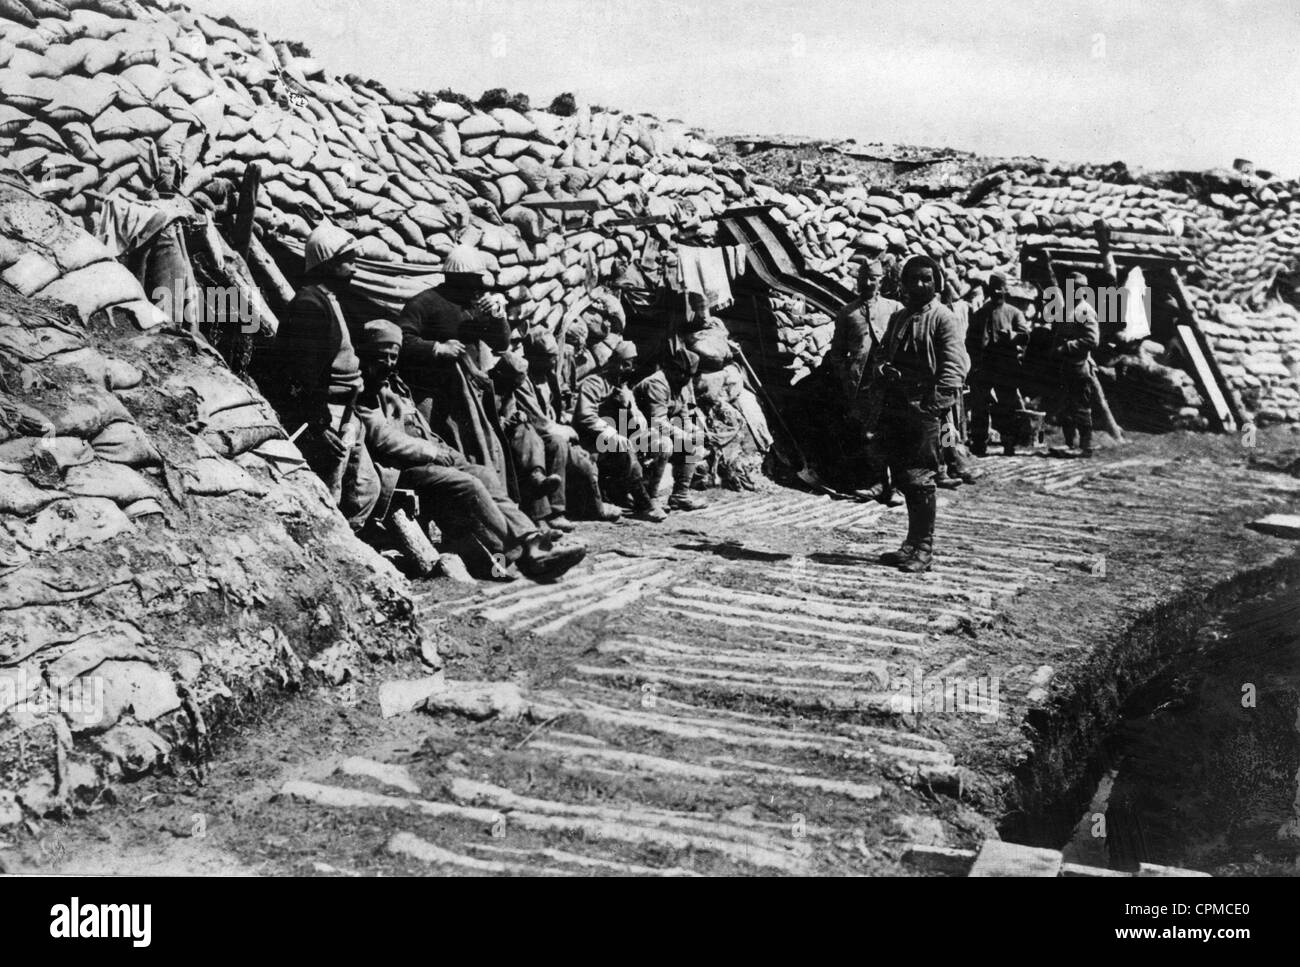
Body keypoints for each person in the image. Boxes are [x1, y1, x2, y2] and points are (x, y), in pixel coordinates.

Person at [353, 320, 585, 581]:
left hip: (427, 460)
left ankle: (532, 539)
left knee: (484, 474)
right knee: (469, 485)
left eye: (393, 355)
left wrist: (446, 450)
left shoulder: (395, 386)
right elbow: (382, 438)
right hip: (399, 470)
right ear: (365, 354)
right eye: (380, 355)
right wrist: (432, 451)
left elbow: (419, 428)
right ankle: (522, 554)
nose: (388, 361)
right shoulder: (362, 390)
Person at [267, 224, 379, 532]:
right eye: (348, 260)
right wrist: (317, 425)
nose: (354, 268)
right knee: (330, 493)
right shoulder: (309, 306)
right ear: (327, 263)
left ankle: (350, 550)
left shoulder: (332, 300)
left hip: (347, 413)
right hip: (327, 415)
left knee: (366, 489)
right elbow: (300, 373)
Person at [872, 254, 969, 573]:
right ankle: (911, 544)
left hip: (924, 407)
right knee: (903, 476)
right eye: (912, 279)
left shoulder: (943, 317)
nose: (918, 285)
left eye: (926, 279)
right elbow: (884, 352)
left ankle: (925, 548)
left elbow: (954, 369)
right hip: (897, 405)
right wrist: (883, 370)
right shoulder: (900, 317)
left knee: (921, 477)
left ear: (936, 282)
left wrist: (932, 409)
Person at [395, 245, 513, 485]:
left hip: (468, 394)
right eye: (472, 281)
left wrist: (498, 316)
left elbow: (500, 342)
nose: (478, 287)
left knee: (480, 448)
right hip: (431, 394)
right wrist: (437, 348)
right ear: (454, 279)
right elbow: (401, 339)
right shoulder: (424, 303)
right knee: (441, 449)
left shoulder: (476, 306)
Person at [572, 339, 666, 522]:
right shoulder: (594, 383)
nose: (625, 369)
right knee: (625, 449)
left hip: (619, 440)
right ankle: (644, 504)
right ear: (614, 361)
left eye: (629, 366)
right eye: (623, 364)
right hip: (592, 442)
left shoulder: (625, 388)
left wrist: (628, 404)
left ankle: (647, 494)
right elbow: (585, 416)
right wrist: (611, 434)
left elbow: (640, 422)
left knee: (660, 444)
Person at [633, 346, 709, 512]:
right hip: (632, 430)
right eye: (683, 374)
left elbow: (684, 416)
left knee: (694, 442)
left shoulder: (681, 385)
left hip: (654, 431)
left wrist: (693, 431)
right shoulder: (657, 383)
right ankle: (649, 498)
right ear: (673, 370)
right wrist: (683, 436)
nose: (686, 379)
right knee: (664, 443)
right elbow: (657, 421)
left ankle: (680, 495)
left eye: (689, 375)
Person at [967, 272, 1031, 457]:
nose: (997, 295)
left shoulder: (1014, 312)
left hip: (1006, 366)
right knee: (980, 405)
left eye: (1000, 292)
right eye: (994, 292)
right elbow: (970, 340)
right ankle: (979, 444)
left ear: (1005, 292)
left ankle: (1009, 443)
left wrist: (1011, 336)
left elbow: (1025, 336)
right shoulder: (980, 314)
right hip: (983, 365)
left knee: (1007, 405)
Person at [1052, 272, 1100, 457]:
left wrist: (1067, 346)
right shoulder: (1067, 309)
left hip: (1079, 366)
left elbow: (1092, 340)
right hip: (1066, 366)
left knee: (1081, 406)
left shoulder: (1085, 311)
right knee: (1066, 407)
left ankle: (1086, 445)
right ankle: (1069, 443)